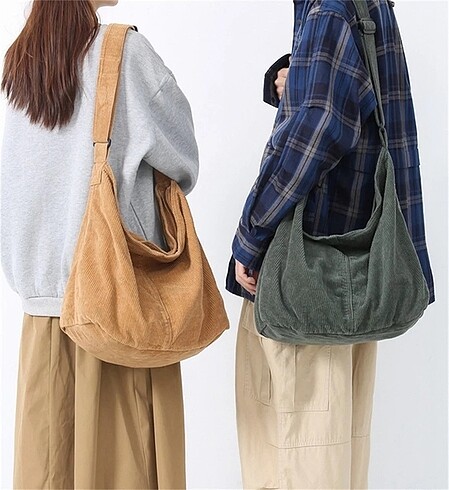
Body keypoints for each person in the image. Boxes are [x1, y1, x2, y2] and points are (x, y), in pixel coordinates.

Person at [226, 0, 434, 488]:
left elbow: (319, 128)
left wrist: (251, 235)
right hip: (356, 269)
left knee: (292, 460)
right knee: (339, 460)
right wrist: (293, 77)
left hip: (304, 279)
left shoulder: (328, 12)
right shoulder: (363, 6)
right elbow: (351, 100)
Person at [1, 1, 198, 488]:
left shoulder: (19, 62)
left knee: (49, 473)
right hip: (117, 313)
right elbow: (183, 160)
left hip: (42, 321)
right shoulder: (124, 53)